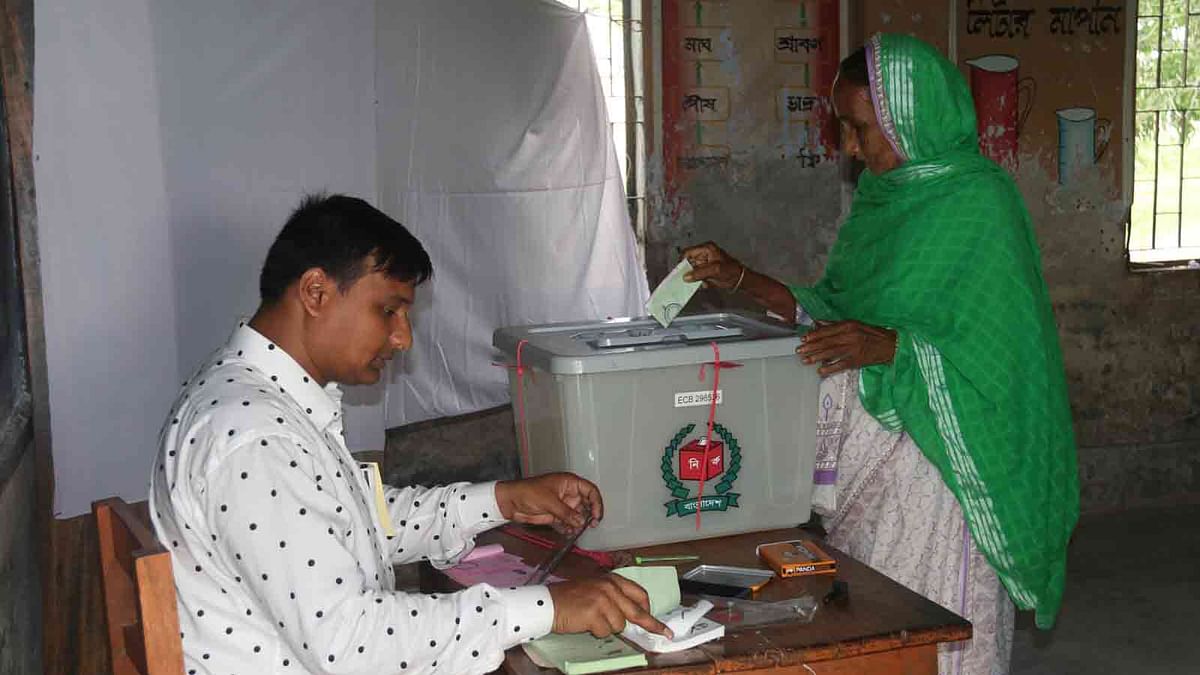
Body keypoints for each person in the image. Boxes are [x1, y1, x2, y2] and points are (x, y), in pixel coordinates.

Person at [682, 33, 1078, 675]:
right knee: (873, 612)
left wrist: (891, 346)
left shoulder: (980, 203)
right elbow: (834, 308)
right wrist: (738, 279)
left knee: (938, 614)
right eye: (844, 127)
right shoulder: (879, 199)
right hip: (876, 460)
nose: (850, 147)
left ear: (908, 117)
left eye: (860, 128)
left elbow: (1003, 358)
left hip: (946, 460)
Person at [149, 194, 669, 675]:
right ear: (315, 292)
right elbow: (351, 645)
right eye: (389, 310)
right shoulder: (256, 437)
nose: (402, 338)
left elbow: (352, 525)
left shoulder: (256, 399)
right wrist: (547, 608)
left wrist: (502, 501)